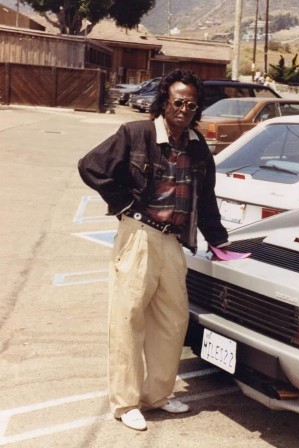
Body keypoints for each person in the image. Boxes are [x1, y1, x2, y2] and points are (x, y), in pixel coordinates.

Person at [78, 69, 229, 431]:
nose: (184, 109)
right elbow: (91, 166)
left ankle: (156, 396)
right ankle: (127, 402)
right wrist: (123, 205)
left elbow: (205, 199)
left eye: (191, 104)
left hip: (173, 242)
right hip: (139, 237)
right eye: (178, 101)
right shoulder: (137, 134)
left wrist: (219, 239)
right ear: (164, 101)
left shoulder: (196, 147)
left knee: (172, 321)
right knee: (128, 320)